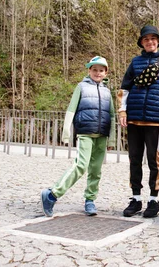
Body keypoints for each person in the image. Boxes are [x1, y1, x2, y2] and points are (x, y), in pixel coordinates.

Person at [41, 56, 115, 217]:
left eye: (101, 70)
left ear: (106, 72)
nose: (97, 72)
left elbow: (112, 115)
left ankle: (90, 200)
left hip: (102, 134)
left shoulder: (107, 91)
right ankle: (52, 194)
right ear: (89, 70)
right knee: (81, 166)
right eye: (94, 69)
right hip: (85, 133)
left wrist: (112, 138)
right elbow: (71, 109)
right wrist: (66, 132)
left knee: (96, 170)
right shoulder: (81, 87)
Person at [118, 25, 159, 218]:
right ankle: (135, 198)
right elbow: (124, 89)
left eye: (153, 39)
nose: (150, 42)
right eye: (146, 39)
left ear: (158, 41)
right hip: (134, 118)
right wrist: (122, 111)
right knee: (134, 160)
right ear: (141, 43)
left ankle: (154, 199)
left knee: (155, 161)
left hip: (155, 120)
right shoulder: (135, 63)